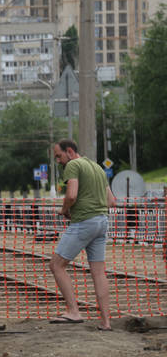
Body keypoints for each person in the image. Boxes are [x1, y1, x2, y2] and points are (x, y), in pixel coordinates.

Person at [48, 139, 117, 331]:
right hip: (102, 222)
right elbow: (112, 201)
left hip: (84, 222)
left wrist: (64, 210)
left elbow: (71, 195)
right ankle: (106, 323)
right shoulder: (97, 168)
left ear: (69, 151)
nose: (58, 161)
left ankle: (73, 312)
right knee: (98, 272)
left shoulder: (73, 165)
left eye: (59, 156)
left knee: (56, 265)